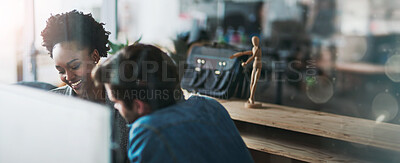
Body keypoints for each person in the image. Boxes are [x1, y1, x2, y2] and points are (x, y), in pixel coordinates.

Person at [92, 43, 254, 163]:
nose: (115, 107)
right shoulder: (210, 106)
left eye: (116, 102)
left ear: (138, 105)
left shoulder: (148, 131)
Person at [41, 10, 129, 163]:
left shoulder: (124, 100)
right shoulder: (53, 103)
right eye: (61, 71)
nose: (68, 77)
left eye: (75, 66)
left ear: (95, 57)